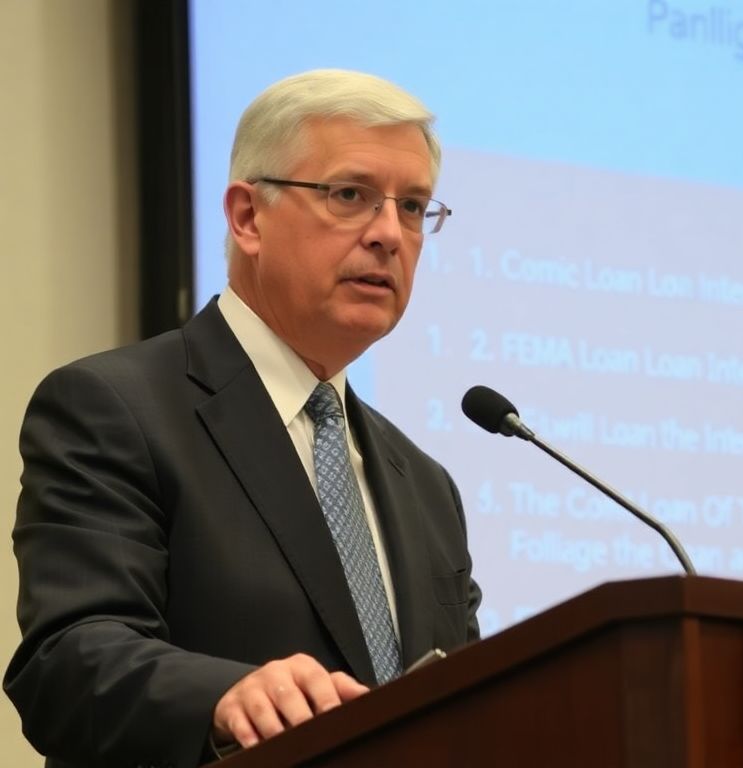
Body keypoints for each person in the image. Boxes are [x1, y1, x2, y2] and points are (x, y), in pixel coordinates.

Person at [4, 69, 481, 767]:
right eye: (351, 195)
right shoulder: (114, 409)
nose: (389, 234)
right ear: (247, 217)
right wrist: (226, 698)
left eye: (412, 208)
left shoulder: (427, 487)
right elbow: (68, 661)